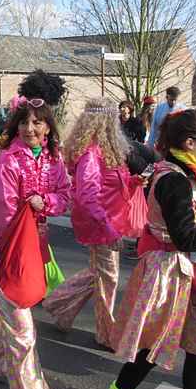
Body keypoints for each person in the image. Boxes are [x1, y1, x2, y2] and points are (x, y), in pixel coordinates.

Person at [100, 109, 196, 389]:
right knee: (155, 344)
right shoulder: (175, 179)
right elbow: (186, 237)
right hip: (172, 272)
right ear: (190, 142)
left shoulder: (184, 172)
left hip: (185, 270)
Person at [0, 92, 70, 389]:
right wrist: (29, 212)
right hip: (5, 254)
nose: (31, 128)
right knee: (24, 331)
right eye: (25, 122)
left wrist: (44, 201)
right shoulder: (8, 162)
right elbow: (2, 215)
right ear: (16, 126)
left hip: (35, 251)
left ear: (48, 126)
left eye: (38, 122)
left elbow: (66, 195)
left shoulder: (54, 161)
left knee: (12, 318)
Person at [43, 98, 144, 348]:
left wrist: (133, 182)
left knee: (99, 274)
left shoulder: (103, 150)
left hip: (109, 222)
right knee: (107, 278)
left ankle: (61, 309)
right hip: (102, 225)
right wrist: (110, 232)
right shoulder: (91, 154)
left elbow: (109, 186)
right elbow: (88, 198)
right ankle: (106, 333)